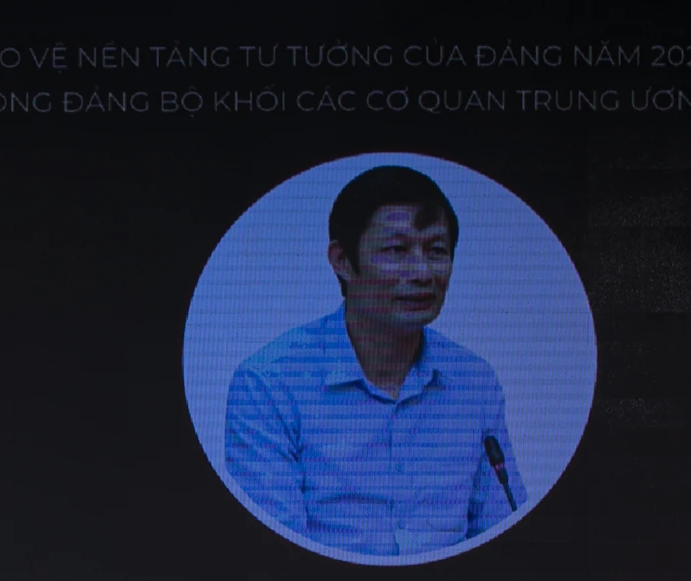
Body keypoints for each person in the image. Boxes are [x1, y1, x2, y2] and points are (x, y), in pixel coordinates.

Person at [224, 164, 525, 556]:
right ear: (342, 260)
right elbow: (274, 558)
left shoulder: (473, 381)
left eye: (436, 251)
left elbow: (505, 533)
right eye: (396, 250)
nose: (421, 273)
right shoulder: (269, 383)